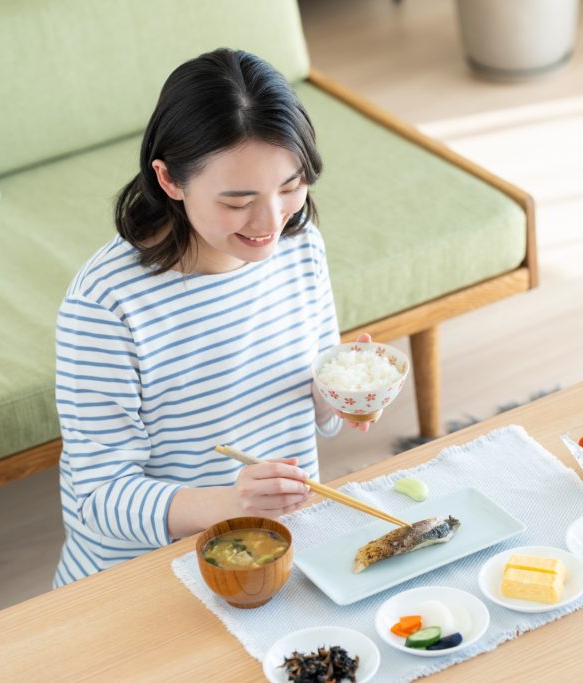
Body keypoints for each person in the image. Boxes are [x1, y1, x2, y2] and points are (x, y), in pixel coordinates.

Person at [52, 48, 376, 587]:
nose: (270, 222)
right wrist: (232, 503)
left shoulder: (300, 245)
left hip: (274, 556)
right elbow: (99, 497)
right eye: (238, 201)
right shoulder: (106, 304)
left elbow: (312, 405)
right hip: (147, 577)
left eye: (290, 187)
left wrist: (344, 390)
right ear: (169, 180)